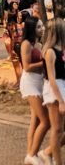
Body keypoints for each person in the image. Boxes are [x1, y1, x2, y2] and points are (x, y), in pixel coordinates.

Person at [21, 15, 49, 165]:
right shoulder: (26, 44)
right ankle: (33, 154)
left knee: (36, 120)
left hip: (39, 82)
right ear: (32, 29)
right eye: (38, 27)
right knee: (45, 120)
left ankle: (29, 154)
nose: (42, 29)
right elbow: (26, 67)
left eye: (42, 26)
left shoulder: (38, 43)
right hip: (30, 83)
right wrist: (45, 63)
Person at [41, 18, 65, 165]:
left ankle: (47, 152)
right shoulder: (50, 52)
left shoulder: (59, 50)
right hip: (55, 90)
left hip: (61, 88)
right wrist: (61, 101)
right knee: (57, 130)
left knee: (60, 130)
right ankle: (58, 162)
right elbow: (51, 78)